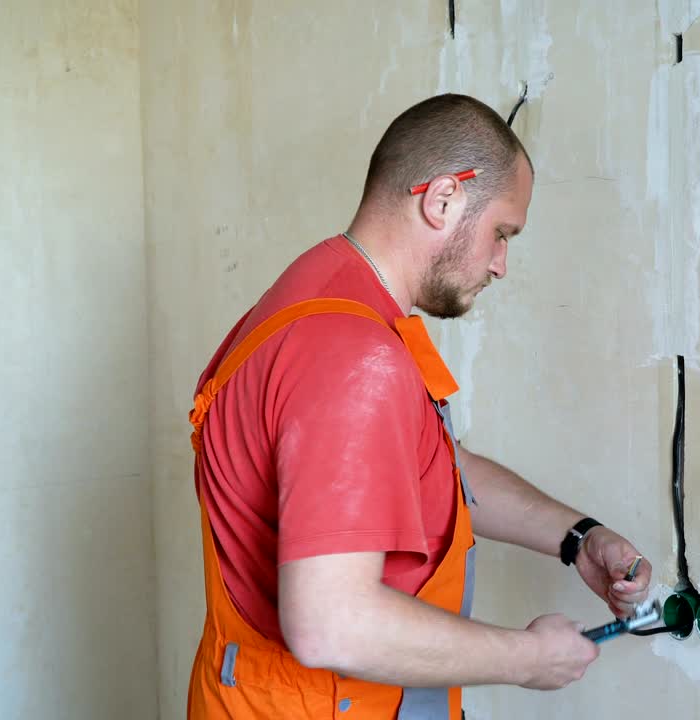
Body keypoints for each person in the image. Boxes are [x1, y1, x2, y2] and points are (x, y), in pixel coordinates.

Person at [185, 93, 653, 719]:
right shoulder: (351, 353)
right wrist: (527, 659)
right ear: (441, 200)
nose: (500, 264)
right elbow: (332, 623)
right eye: (501, 233)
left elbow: (434, 472)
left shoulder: (327, 299)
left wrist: (578, 538)